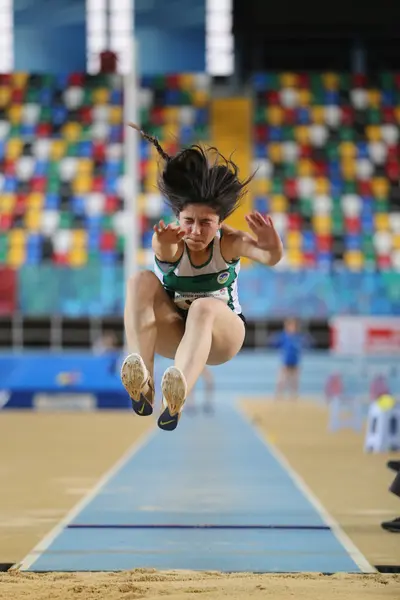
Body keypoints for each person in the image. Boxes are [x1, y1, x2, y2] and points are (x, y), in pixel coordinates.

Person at [121, 123, 284, 431]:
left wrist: (272, 246)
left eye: (206, 223)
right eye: (189, 221)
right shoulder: (169, 241)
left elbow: (270, 258)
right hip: (177, 334)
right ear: (178, 218)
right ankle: (144, 380)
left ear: (220, 221)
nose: (196, 231)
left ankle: (177, 395)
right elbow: (164, 247)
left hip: (222, 338)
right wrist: (167, 242)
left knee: (204, 307)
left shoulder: (230, 242)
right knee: (139, 281)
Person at [268, 318, 314, 401]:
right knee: (281, 380)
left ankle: (293, 396)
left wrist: (308, 342)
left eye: (293, 326)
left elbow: (308, 344)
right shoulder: (283, 336)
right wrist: (273, 340)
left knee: (294, 382)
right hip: (285, 363)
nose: (291, 327)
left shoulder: (298, 337)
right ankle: (278, 396)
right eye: (289, 326)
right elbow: (274, 344)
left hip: (295, 363)